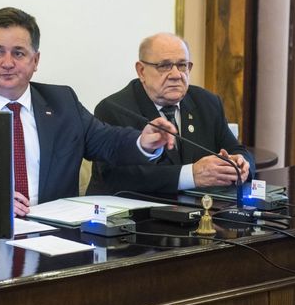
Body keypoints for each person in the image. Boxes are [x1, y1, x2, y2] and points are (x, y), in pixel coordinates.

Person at [0, 7, 176, 216]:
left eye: (18, 53)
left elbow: (108, 141)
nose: (7, 63)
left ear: (35, 61)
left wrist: (143, 142)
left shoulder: (62, 102)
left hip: (54, 234)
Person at [87, 32, 254, 195]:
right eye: (164, 66)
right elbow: (120, 178)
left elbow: (236, 148)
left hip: (198, 207)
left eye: (182, 65)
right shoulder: (114, 109)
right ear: (141, 71)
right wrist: (191, 175)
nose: (176, 75)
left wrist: (241, 164)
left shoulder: (207, 102)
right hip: (136, 209)